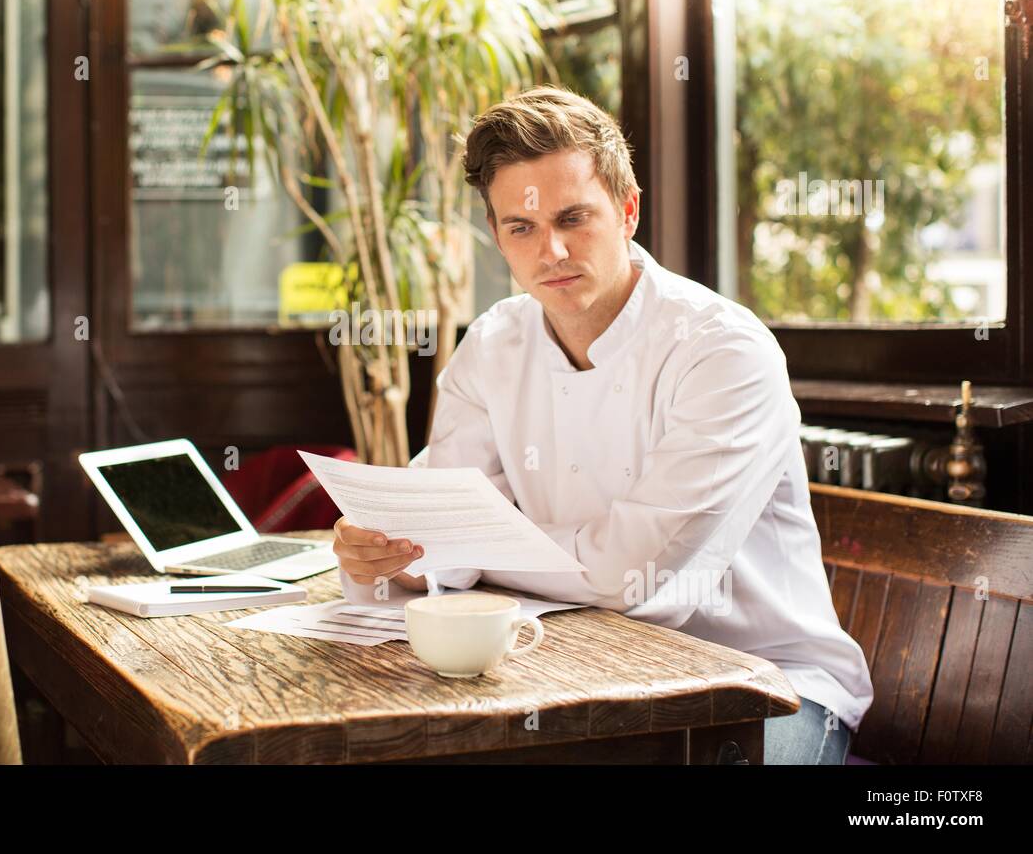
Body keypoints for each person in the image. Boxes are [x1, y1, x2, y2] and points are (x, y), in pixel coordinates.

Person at [332, 85, 871, 764]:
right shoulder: (494, 344)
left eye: (574, 217)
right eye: (520, 227)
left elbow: (631, 578)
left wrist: (474, 545)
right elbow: (446, 539)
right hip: (572, 677)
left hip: (767, 685)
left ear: (628, 210)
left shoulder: (722, 351)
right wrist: (392, 558)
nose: (550, 250)